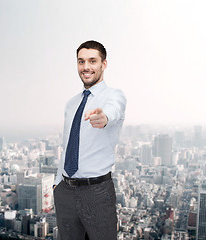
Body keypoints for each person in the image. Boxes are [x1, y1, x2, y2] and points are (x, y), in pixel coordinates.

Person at [53, 40, 126, 240]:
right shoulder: (71, 104)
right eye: (81, 61)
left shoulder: (114, 96)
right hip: (65, 192)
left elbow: (114, 110)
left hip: (96, 192)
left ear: (104, 64)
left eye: (92, 61)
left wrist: (104, 118)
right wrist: (57, 183)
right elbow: (67, 145)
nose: (86, 67)